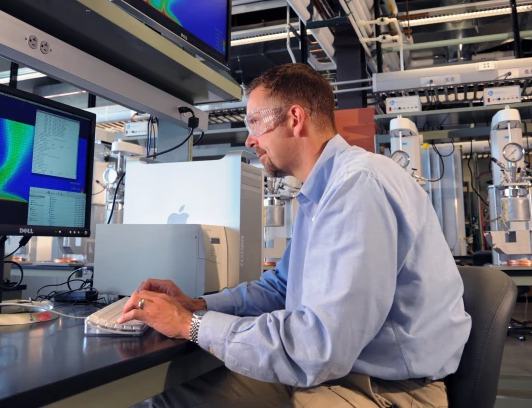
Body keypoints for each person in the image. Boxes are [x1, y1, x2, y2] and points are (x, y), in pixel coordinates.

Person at [117, 63, 471, 407]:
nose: (250, 139)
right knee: (175, 393)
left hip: (386, 389)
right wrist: (202, 305)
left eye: (255, 122)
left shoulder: (356, 187)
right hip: (339, 372)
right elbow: (282, 287)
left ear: (295, 119)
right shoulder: (322, 191)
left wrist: (190, 325)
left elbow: (318, 346)